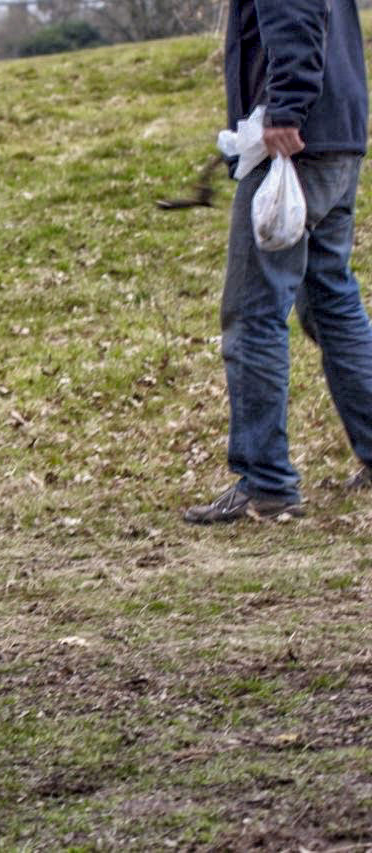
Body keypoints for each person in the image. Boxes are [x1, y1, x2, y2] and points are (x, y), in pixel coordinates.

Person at [185, 0, 372, 523]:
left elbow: (295, 13)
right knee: (331, 300)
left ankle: (266, 482)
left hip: (296, 144)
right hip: (339, 136)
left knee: (254, 312)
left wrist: (286, 108)